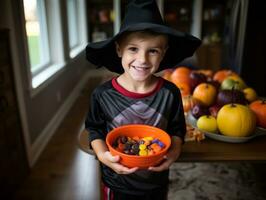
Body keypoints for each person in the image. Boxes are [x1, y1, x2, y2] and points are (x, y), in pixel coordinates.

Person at [85, 0, 201, 199]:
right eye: (133, 49)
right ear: (119, 49)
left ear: (163, 53)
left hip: (156, 182)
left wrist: (173, 153)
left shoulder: (170, 93)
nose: (143, 60)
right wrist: (104, 156)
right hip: (116, 183)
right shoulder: (102, 95)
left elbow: (176, 130)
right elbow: (94, 129)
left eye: (153, 50)